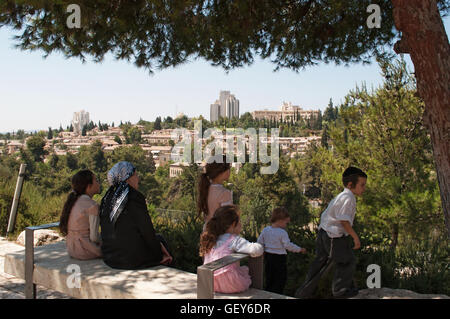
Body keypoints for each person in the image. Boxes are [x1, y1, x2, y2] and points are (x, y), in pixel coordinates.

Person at [295, 166, 367, 299]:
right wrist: (355, 237)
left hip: (324, 232)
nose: (364, 188)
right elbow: (344, 221)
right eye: (362, 185)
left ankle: (303, 293)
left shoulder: (341, 196)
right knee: (347, 261)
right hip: (334, 236)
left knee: (320, 264)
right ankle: (341, 292)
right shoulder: (348, 197)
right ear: (351, 184)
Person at [99, 161, 172, 269]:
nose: (138, 179)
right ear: (128, 178)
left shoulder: (107, 198)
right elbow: (147, 230)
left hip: (110, 258)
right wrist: (159, 254)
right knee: (160, 240)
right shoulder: (133, 197)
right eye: (135, 175)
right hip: (130, 259)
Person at [199, 205, 263, 294]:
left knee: (241, 270)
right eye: (239, 222)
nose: (241, 224)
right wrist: (260, 245)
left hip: (211, 282)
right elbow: (256, 250)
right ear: (233, 224)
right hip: (231, 284)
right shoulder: (233, 240)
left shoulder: (211, 239)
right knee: (245, 271)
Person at [257, 207, 306, 294]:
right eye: (286, 223)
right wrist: (299, 249)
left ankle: (268, 295)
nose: (286, 225)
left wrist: (262, 252)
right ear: (280, 220)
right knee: (280, 280)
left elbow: (260, 242)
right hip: (279, 258)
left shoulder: (265, 230)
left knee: (269, 278)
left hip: (268, 257)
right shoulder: (282, 233)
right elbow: (288, 245)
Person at [59, 170, 102, 260]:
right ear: (88, 186)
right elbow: (94, 237)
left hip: (72, 249)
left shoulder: (74, 201)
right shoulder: (92, 205)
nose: (98, 183)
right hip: (86, 250)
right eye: (96, 180)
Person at [197, 155, 233, 229]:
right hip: (219, 234)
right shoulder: (224, 193)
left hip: (207, 232)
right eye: (229, 168)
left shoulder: (205, 189)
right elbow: (227, 220)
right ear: (222, 171)